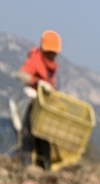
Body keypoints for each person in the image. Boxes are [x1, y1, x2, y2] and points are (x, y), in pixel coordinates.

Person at [14, 30, 61, 169]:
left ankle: (43, 169)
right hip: (32, 106)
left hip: (44, 111)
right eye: (50, 52)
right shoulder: (35, 60)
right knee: (29, 137)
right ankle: (24, 167)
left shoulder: (51, 68)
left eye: (54, 53)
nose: (52, 55)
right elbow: (20, 75)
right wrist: (37, 82)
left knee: (44, 141)